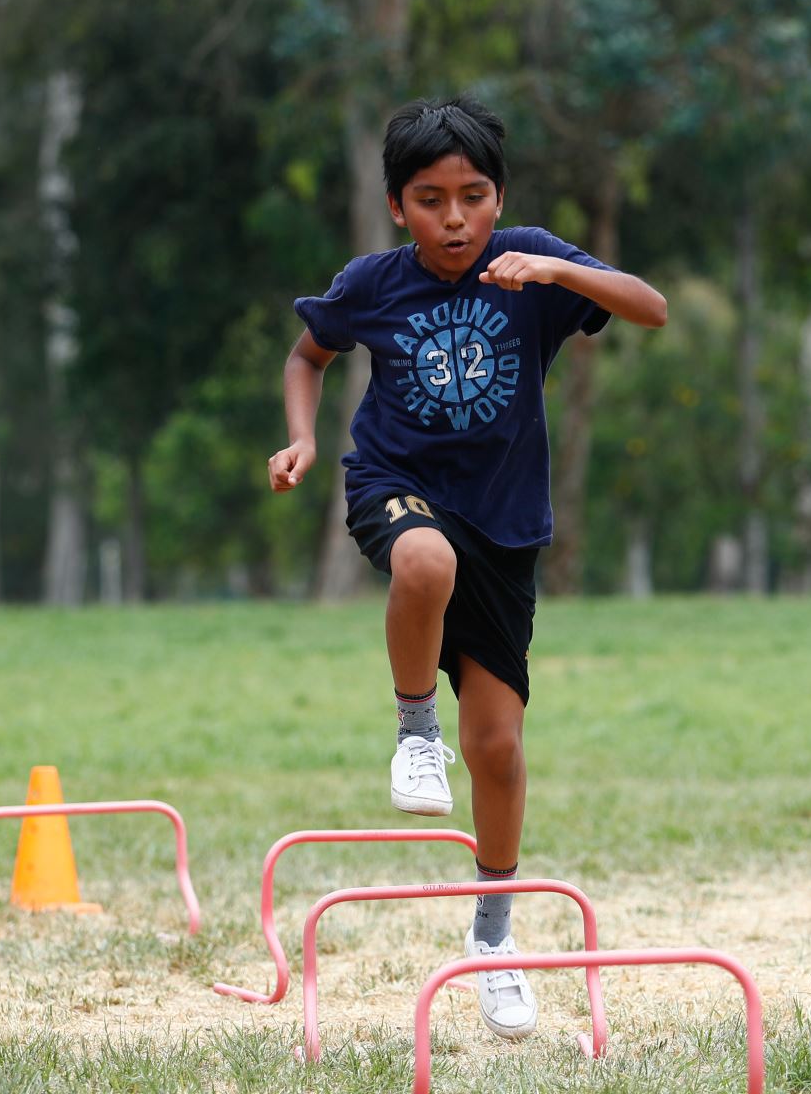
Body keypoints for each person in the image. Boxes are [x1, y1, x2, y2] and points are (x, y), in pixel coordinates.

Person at [268, 96, 667, 1040]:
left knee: (496, 747)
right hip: (396, 484)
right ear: (398, 206)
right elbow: (307, 353)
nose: (456, 218)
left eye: (474, 196)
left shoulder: (529, 260)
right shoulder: (373, 283)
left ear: (499, 198)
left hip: (508, 524)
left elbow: (647, 307)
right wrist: (300, 440)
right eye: (431, 199)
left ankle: (493, 943)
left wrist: (558, 268)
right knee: (421, 559)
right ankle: (413, 730)